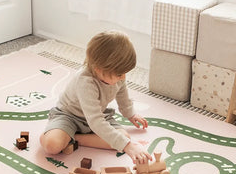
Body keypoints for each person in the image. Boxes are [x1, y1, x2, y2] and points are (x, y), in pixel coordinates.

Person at [39, 31, 152, 164]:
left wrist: (130, 114)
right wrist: (128, 146)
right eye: (119, 74)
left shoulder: (118, 76)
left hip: (97, 115)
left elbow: (123, 97)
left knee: (123, 137)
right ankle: (57, 133)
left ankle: (75, 138)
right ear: (99, 69)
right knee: (52, 146)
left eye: (124, 73)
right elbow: (96, 121)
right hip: (69, 116)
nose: (123, 77)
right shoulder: (86, 81)